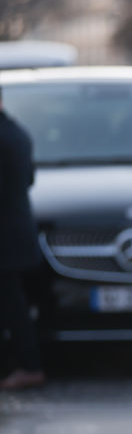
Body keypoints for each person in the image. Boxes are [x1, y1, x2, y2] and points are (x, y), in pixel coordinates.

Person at [0, 85, 45, 391]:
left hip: (5, 236)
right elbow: (28, 179)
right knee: (12, 303)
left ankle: (29, 366)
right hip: (16, 232)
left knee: (12, 305)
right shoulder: (17, 132)